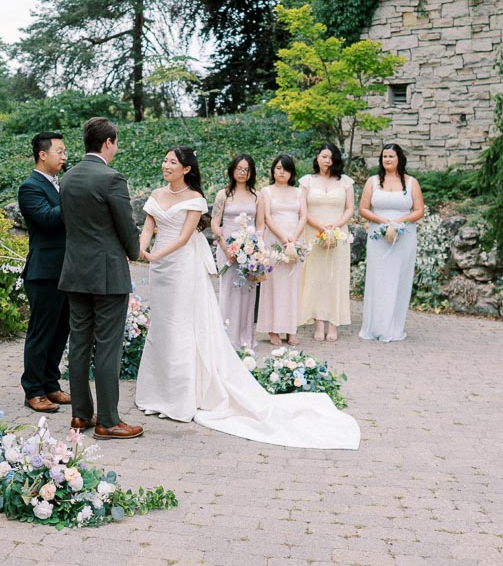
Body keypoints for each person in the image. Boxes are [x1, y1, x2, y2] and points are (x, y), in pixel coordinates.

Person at [134, 146, 359, 449]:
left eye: (172, 162)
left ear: (186, 169)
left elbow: (185, 236)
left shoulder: (195, 199)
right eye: (164, 160)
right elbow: (149, 226)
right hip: (160, 268)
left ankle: (182, 392)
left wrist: (153, 255)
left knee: (181, 324)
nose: (166, 165)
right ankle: (157, 390)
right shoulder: (158, 195)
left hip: (180, 264)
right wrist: (141, 249)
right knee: (162, 325)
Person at [58, 117, 145, 441]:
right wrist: (135, 252)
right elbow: (126, 225)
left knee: (79, 343)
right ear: (107, 143)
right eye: (116, 142)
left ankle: (81, 415)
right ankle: (108, 421)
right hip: (107, 274)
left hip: (75, 272)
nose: (116, 147)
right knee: (108, 347)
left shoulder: (67, 178)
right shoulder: (111, 178)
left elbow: (70, 223)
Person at [18, 131, 71, 414]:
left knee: (61, 331)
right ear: (43, 155)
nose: (64, 156)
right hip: (44, 270)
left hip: (67, 269)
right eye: (60, 151)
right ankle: (34, 390)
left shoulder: (58, 184)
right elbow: (49, 219)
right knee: (41, 332)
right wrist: (71, 193)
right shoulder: (30, 187)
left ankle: (51, 384)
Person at [358, 143, 424, 342]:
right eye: (384, 156)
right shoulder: (373, 181)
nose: (387, 159)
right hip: (378, 237)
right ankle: (376, 326)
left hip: (404, 237)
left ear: (399, 159)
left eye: (391, 156)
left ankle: (394, 327)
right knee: (379, 279)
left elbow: (419, 210)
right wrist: (383, 222)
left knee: (399, 279)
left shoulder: (412, 182)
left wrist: (399, 223)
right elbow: (364, 209)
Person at [297, 143, 355, 342]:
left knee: (335, 277)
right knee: (316, 278)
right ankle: (319, 322)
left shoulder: (345, 182)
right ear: (317, 158)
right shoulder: (306, 181)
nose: (327, 161)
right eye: (323, 156)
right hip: (313, 232)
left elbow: (349, 208)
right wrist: (320, 227)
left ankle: (334, 323)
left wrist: (334, 227)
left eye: (330, 157)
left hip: (338, 234)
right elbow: (302, 209)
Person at [256, 154, 305, 347]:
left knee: (292, 286)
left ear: (291, 171)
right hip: (274, 241)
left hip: (295, 240)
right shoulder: (266, 192)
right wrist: (283, 238)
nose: (281, 172)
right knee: (274, 286)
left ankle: (291, 329)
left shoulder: (299, 192)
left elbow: (303, 215)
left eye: (285, 168)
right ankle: (273, 329)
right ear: (273, 171)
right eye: (278, 168)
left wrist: (294, 237)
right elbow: (267, 217)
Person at [211, 154, 258, 350]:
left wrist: (256, 249)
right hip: (227, 245)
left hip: (249, 248)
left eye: (246, 169)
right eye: (239, 168)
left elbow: (260, 224)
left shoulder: (256, 195)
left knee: (247, 292)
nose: (242, 172)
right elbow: (215, 222)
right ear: (232, 169)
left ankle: (244, 336)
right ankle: (226, 336)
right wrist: (226, 247)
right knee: (229, 290)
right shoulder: (224, 194)